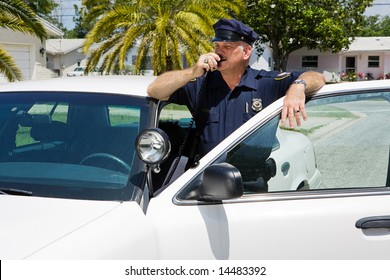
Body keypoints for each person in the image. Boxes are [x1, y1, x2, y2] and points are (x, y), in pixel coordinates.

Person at [147, 18, 325, 157]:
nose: (219, 51)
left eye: (227, 46)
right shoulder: (201, 84)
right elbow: (154, 90)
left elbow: (317, 77)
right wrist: (192, 72)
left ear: (246, 52)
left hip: (251, 185)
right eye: (217, 46)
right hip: (204, 180)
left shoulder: (265, 83)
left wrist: (298, 86)